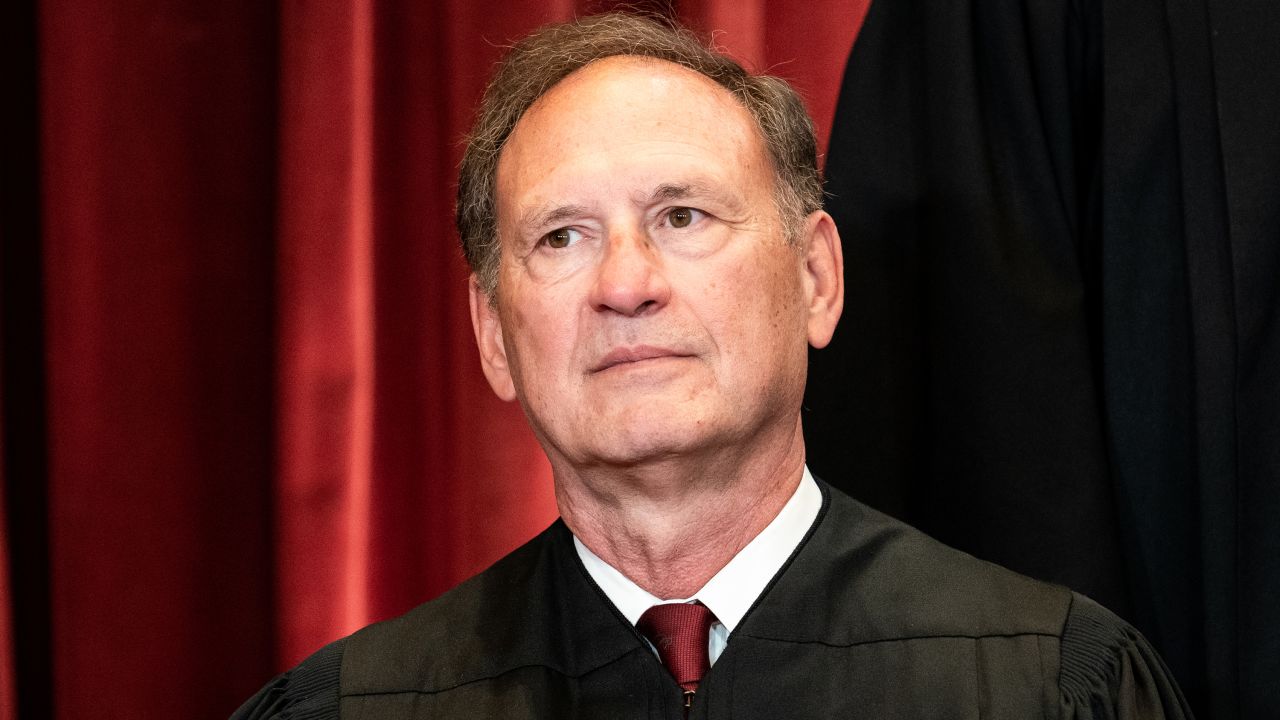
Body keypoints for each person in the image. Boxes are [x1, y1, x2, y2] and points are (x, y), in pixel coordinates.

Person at [232, 13, 1192, 720]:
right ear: (493, 334)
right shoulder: (354, 711)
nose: (626, 283)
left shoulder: (1052, 687)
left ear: (815, 277)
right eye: (562, 236)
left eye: (681, 217)